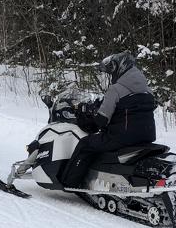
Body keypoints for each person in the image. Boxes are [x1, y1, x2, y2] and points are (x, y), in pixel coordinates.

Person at [62, 52, 157, 189]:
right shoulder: (147, 90)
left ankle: (70, 183)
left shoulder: (116, 89)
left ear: (120, 69)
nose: (112, 75)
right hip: (146, 136)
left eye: (112, 71)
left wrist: (91, 114)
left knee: (85, 144)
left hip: (121, 138)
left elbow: (102, 120)